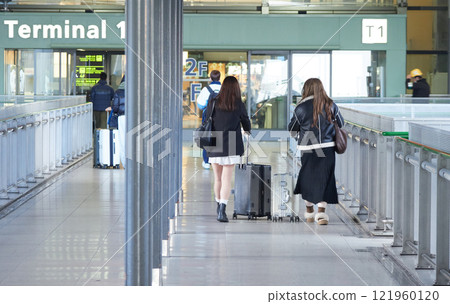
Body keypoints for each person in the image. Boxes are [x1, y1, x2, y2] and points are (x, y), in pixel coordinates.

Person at [288, 78, 344, 225]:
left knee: (308, 177)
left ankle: (309, 211)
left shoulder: (301, 107)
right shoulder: (331, 104)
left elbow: (292, 130)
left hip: (307, 147)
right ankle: (321, 214)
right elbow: (341, 123)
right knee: (326, 178)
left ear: (306, 89)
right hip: (327, 147)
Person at [205, 76, 251, 222]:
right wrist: (247, 130)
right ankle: (222, 211)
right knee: (226, 179)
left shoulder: (213, 101)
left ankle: (218, 205)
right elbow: (245, 121)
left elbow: (206, 119)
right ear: (236, 88)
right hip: (231, 142)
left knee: (217, 178)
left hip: (215, 140)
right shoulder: (238, 103)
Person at [196, 70, 221, 169]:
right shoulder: (224, 89)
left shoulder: (206, 89)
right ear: (219, 78)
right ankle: (218, 161)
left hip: (208, 118)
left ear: (210, 78)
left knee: (207, 137)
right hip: (222, 118)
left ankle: (207, 162)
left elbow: (200, 105)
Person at [108, 75, 125, 168]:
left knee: (122, 140)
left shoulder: (118, 92)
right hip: (134, 118)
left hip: (122, 117)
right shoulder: (135, 90)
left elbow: (115, 107)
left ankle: (124, 162)